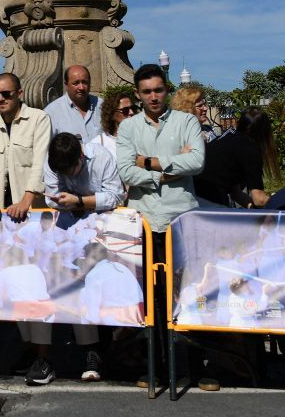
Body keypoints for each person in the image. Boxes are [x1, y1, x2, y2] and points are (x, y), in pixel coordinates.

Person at [115, 63, 206, 389]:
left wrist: (150, 163)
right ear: (138, 95)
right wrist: (170, 171)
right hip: (146, 221)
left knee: (187, 295)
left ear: (166, 90)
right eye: (147, 91)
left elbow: (197, 161)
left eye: (158, 90)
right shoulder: (128, 128)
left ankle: (192, 368)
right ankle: (155, 365)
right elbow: (126, 172)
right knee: (152, 299)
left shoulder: (186, 121)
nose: (153, 96)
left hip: (181, 220)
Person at [31, 132, 125, 382]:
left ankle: (91, 352)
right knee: (45, 286)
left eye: (72, 169)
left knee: (85, 288)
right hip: (65, 231)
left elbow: (116, 195)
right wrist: (62, 201)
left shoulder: (102, 157)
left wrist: (81, 201)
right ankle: (43, 358)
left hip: (99, 230)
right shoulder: (52, 163)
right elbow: (53, 194)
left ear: (81, 156)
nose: (69, 176)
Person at [0, 73, 50, 227]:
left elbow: (41, 164)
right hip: (1, 214)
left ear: (19, 93)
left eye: (6, 94)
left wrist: (25, 202)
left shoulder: (39, 119)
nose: (0, 99)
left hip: (33, 212)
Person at [195, 108, 278, 208]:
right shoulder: (250, 150)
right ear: (265, 131)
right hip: (209, 197)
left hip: (194, 193)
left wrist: (253, 208)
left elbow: (236, 194)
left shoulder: (228, 138)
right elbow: (259, 199)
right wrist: (281, 203)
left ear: (240, 123)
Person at [44, 65, 102, 143]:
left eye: (85, 82)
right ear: (66, 85)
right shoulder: (51, 112)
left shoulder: (101, 105)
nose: (81, 87)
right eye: (76, 83)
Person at [92, 94, 134, 159]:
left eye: (133, 108)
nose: (131, 112)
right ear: (111, 114)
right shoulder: (98, 143)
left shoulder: (141, 138)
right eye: (126, 110)